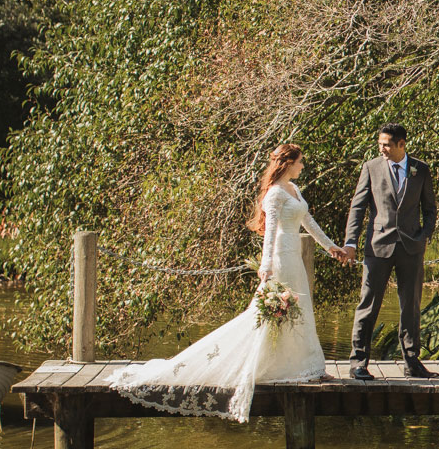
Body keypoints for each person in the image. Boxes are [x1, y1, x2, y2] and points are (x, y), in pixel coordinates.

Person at [108, 143, 354, 420]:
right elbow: (270, 230)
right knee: (274, 313)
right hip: (280, 258)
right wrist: (266, 267)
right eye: (300, 162)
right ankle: (278, 365)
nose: (303, 166)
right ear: (288, 163)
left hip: (294, 258)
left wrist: (332, 247)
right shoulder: (274, 194)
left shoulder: (294, 190)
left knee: (298, 309)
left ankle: (306, 366)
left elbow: (309, 222)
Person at [343, 123, 438, 379]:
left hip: (411, 248)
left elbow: (430, 210)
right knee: (368, 305)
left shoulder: (421, 170)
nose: (382, 149)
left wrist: (423, 236)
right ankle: (358, 362)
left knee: (411, 306)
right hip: (378, 246)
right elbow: (358, 207)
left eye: (386, 144)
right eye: (380, 144)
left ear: (401, 145)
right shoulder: (371, 168)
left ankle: (412, 361)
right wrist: (350, 242)